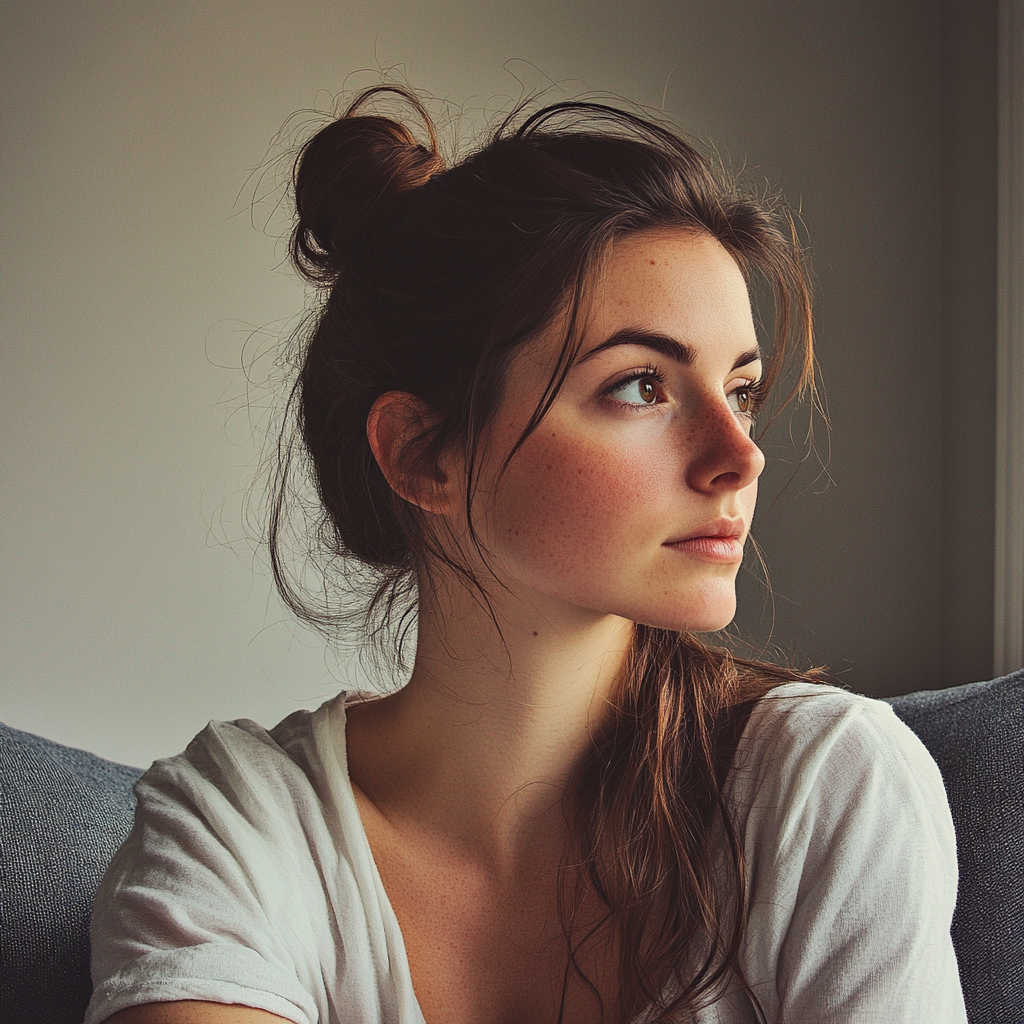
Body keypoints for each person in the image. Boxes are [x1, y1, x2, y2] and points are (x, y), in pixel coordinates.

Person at [85, 86, 966, 1024]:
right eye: (640, 386)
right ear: (423, 453)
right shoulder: (238, 828)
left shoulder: (826, 787)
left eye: (741, 390)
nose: (740, 455)